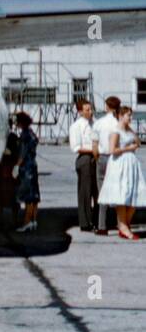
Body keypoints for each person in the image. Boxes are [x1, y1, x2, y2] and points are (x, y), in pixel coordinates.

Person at [98, 106, 145, 240]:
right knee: (122, 194)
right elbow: (112, 150)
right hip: (120, 164)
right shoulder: (115, 131)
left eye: (131, 115)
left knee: (134, 195)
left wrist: (131, 131)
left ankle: (124, 224)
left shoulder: (128, 129)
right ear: (120, 115)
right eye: (128, 115)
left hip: (131, 163)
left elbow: (138, 141)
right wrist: (128, 148)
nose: (130, 118)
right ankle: (123, 227)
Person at [94, 96, 123, 235]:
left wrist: (97, 157)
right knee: (117, 191)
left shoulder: (99, 123)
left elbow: (94, 145)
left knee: (102, 191)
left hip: (103, 157)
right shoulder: (118, 123)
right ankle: (120, 224)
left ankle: (102, 226)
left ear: (107, 106)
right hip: (116, 157)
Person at [69, 98, 98, 232]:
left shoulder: (95, 123)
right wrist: (92, 150)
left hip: (96, 157)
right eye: (87, 110)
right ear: (80, 111)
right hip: (85, 158)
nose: (90, 112)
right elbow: (76, 147)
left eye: (91, 109)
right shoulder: (76, 126)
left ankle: (97, 220)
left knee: (96, 190)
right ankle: (85, 222)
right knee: (85, 191)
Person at [14, 111, 40, 232]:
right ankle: (34, 220)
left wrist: (16, 166)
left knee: (28, 196)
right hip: (33, 165)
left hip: (26, 167)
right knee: (34, 195)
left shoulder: (24, 135)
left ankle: (27, 222)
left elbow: (22, 153)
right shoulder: (32, 133)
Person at [0, 127, 21, 230]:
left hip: (9, 171)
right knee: (0, 200)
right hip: (1, 171)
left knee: (13, 199)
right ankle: (1, 222)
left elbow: (17, 153)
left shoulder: (12, 138)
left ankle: (14, 221)